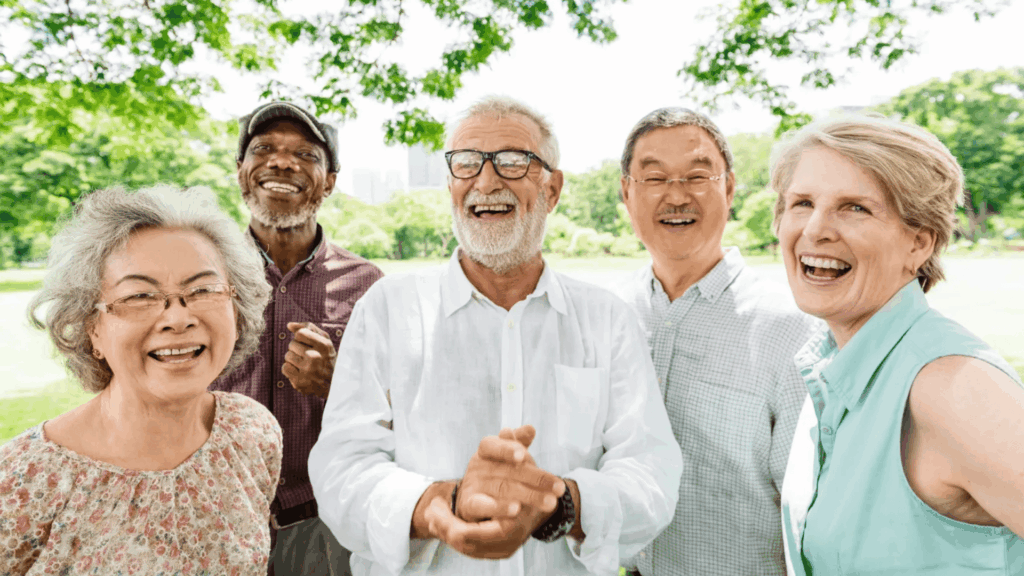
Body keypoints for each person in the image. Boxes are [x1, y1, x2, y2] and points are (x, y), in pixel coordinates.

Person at [308, 95, 683, 576]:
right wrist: (437, 505)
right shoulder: (387, 310)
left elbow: (651, 474)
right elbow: (343, 469)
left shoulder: (606, 319)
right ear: (449, 185)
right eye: (467, 163)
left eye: (513, 161)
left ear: (552, 189)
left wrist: (558, 503)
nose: (486, 181)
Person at [773, 115, 1024, 575]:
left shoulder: (950, 387)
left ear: (919, 244)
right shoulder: (832, 366)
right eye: (802, 203)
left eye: (855, 208)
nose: (816, 229)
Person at [0, 185, 280, 574]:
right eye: (139, 296)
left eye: (203, 289)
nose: (178, 318)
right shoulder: (21, 481)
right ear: (91, 328)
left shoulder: (251, 433)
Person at [614, 107, 821, 576]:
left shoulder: (790, 327)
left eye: (696, 175)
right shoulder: (610, 316)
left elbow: (812, 511)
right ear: (627, 193)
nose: (676, 195)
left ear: (728, 188)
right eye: (654, 178)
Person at [209, 101, 384, 576]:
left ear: (328, 181)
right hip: (215, 516)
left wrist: (338, 382)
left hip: (323, 524)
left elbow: (400, 414)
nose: (282, 162)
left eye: (305, 154)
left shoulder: (370, 285)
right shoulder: (201, 275)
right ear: (241, 172)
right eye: (263, 149)